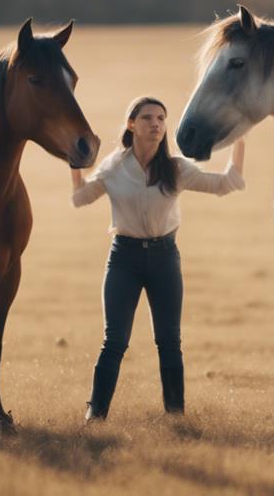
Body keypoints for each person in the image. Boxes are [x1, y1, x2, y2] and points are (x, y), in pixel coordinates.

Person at [71, 95, 246, 421]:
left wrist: (239, 141)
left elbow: (225, 183)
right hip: (123, 260)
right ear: (131, 124)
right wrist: (75, 163)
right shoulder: (113, 167)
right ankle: (95, 415)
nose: (156, 124)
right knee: (114, 341)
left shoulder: (176, 168)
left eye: (161, 119)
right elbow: (81, 197)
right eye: (148, 118)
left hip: (165, 259)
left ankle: (175, 416)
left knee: (169, 341)